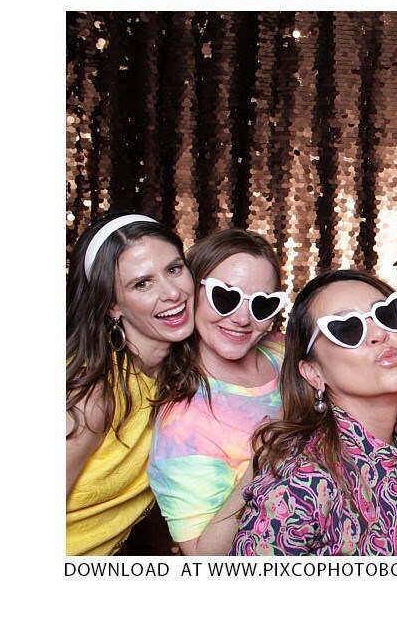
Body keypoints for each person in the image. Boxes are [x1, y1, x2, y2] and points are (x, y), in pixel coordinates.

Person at [235, 270, 397, 555]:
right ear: (313, 372)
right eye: (347, 328)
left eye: (387, 314)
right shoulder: (303, 480)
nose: (379, 334)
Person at [149, 229, 287, 555]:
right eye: (225, 297)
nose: (242, 318)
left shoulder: (284, 350)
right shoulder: (183, 426)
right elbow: (203, 556)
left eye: (263, 304)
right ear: (191, 294)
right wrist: (264, 459)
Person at [67, 214, 195, 555]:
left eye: (174, 269)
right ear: (112, 305)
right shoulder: (89, 392)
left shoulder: (177, 374)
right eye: (142, 284)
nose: (172, 293)